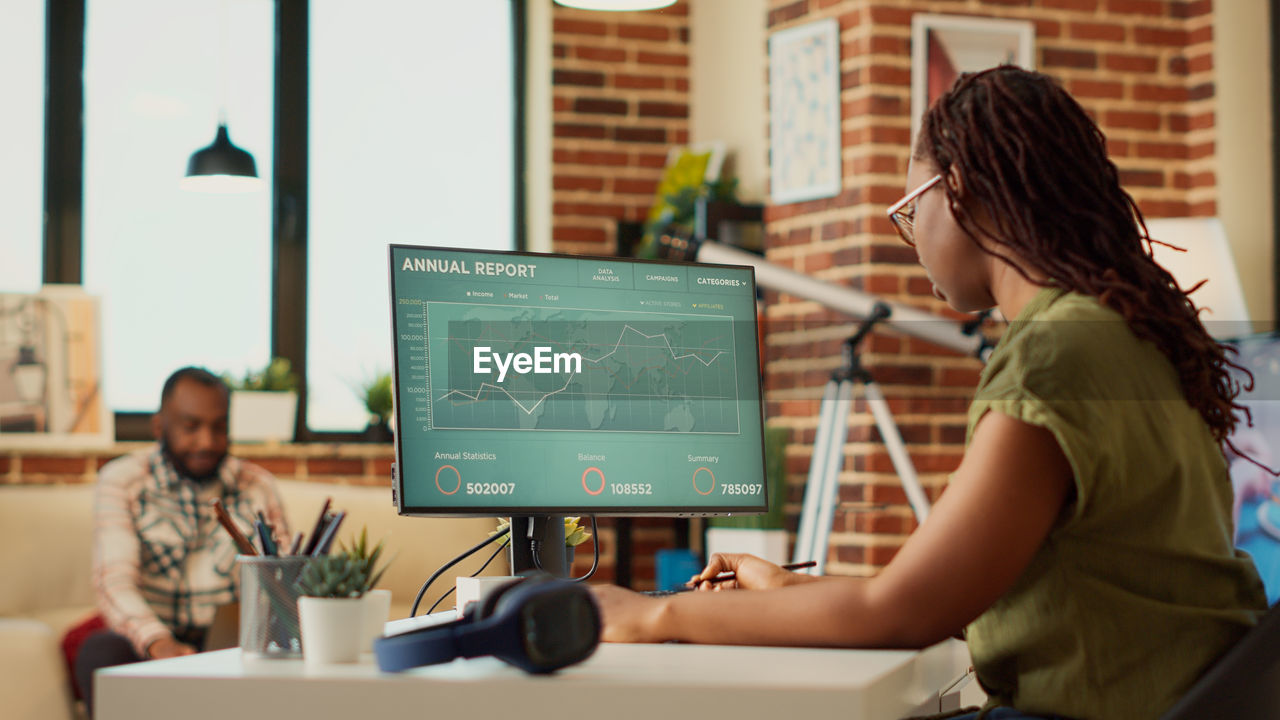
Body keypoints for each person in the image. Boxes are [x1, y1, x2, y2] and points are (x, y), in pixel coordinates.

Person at [590, 66, 1269, 720]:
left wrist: (651, 612)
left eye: (909, 211)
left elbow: (903, 616)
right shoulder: (1124, 333)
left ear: (961, 191)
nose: (912, 239)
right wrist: (791, 586)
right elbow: (941, 590)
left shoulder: (1054, 353)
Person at [72, 366, 288, 716]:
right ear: (160, 426)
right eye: (191, 427)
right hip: (151, 638)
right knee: (101, 653)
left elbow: (283, 580)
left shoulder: (258, 487)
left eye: (219, 427)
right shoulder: (121, 482)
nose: (207, 441)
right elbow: (114, 582)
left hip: (231, 644)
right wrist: (159, 643)